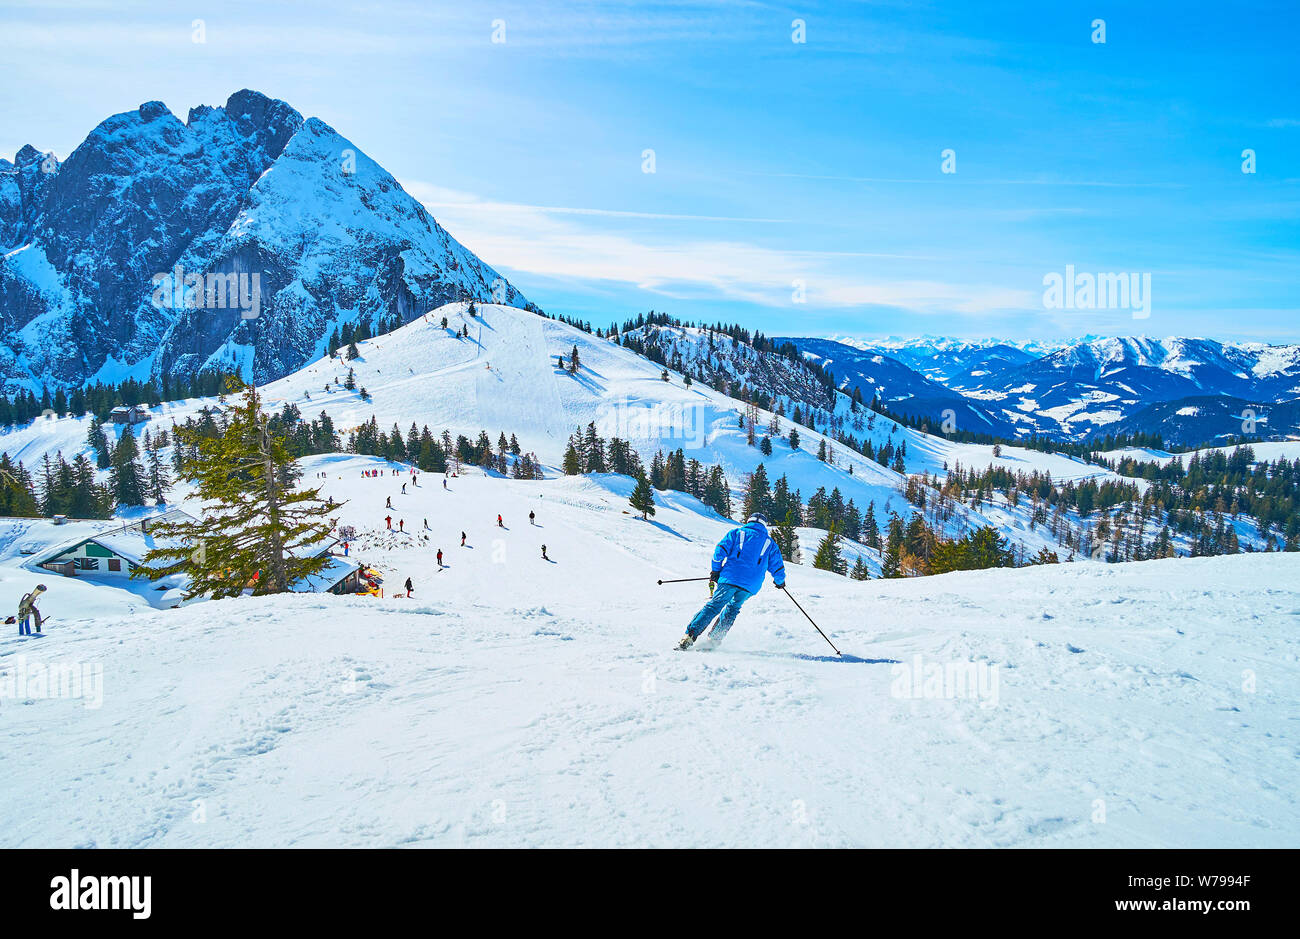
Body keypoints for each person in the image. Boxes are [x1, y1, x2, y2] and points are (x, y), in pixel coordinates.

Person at [677, 513, 786, 651]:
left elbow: (719, 552)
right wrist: (779, 582)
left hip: (730, 579)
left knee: (714, 606)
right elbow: (778, 566)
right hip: (750, 586)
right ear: (764, 525)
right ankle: (714, 640)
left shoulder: (737, 533)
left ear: (748, 521)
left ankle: (689, 636)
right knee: (733, 608)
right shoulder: (770, 543)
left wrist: (715, 571)